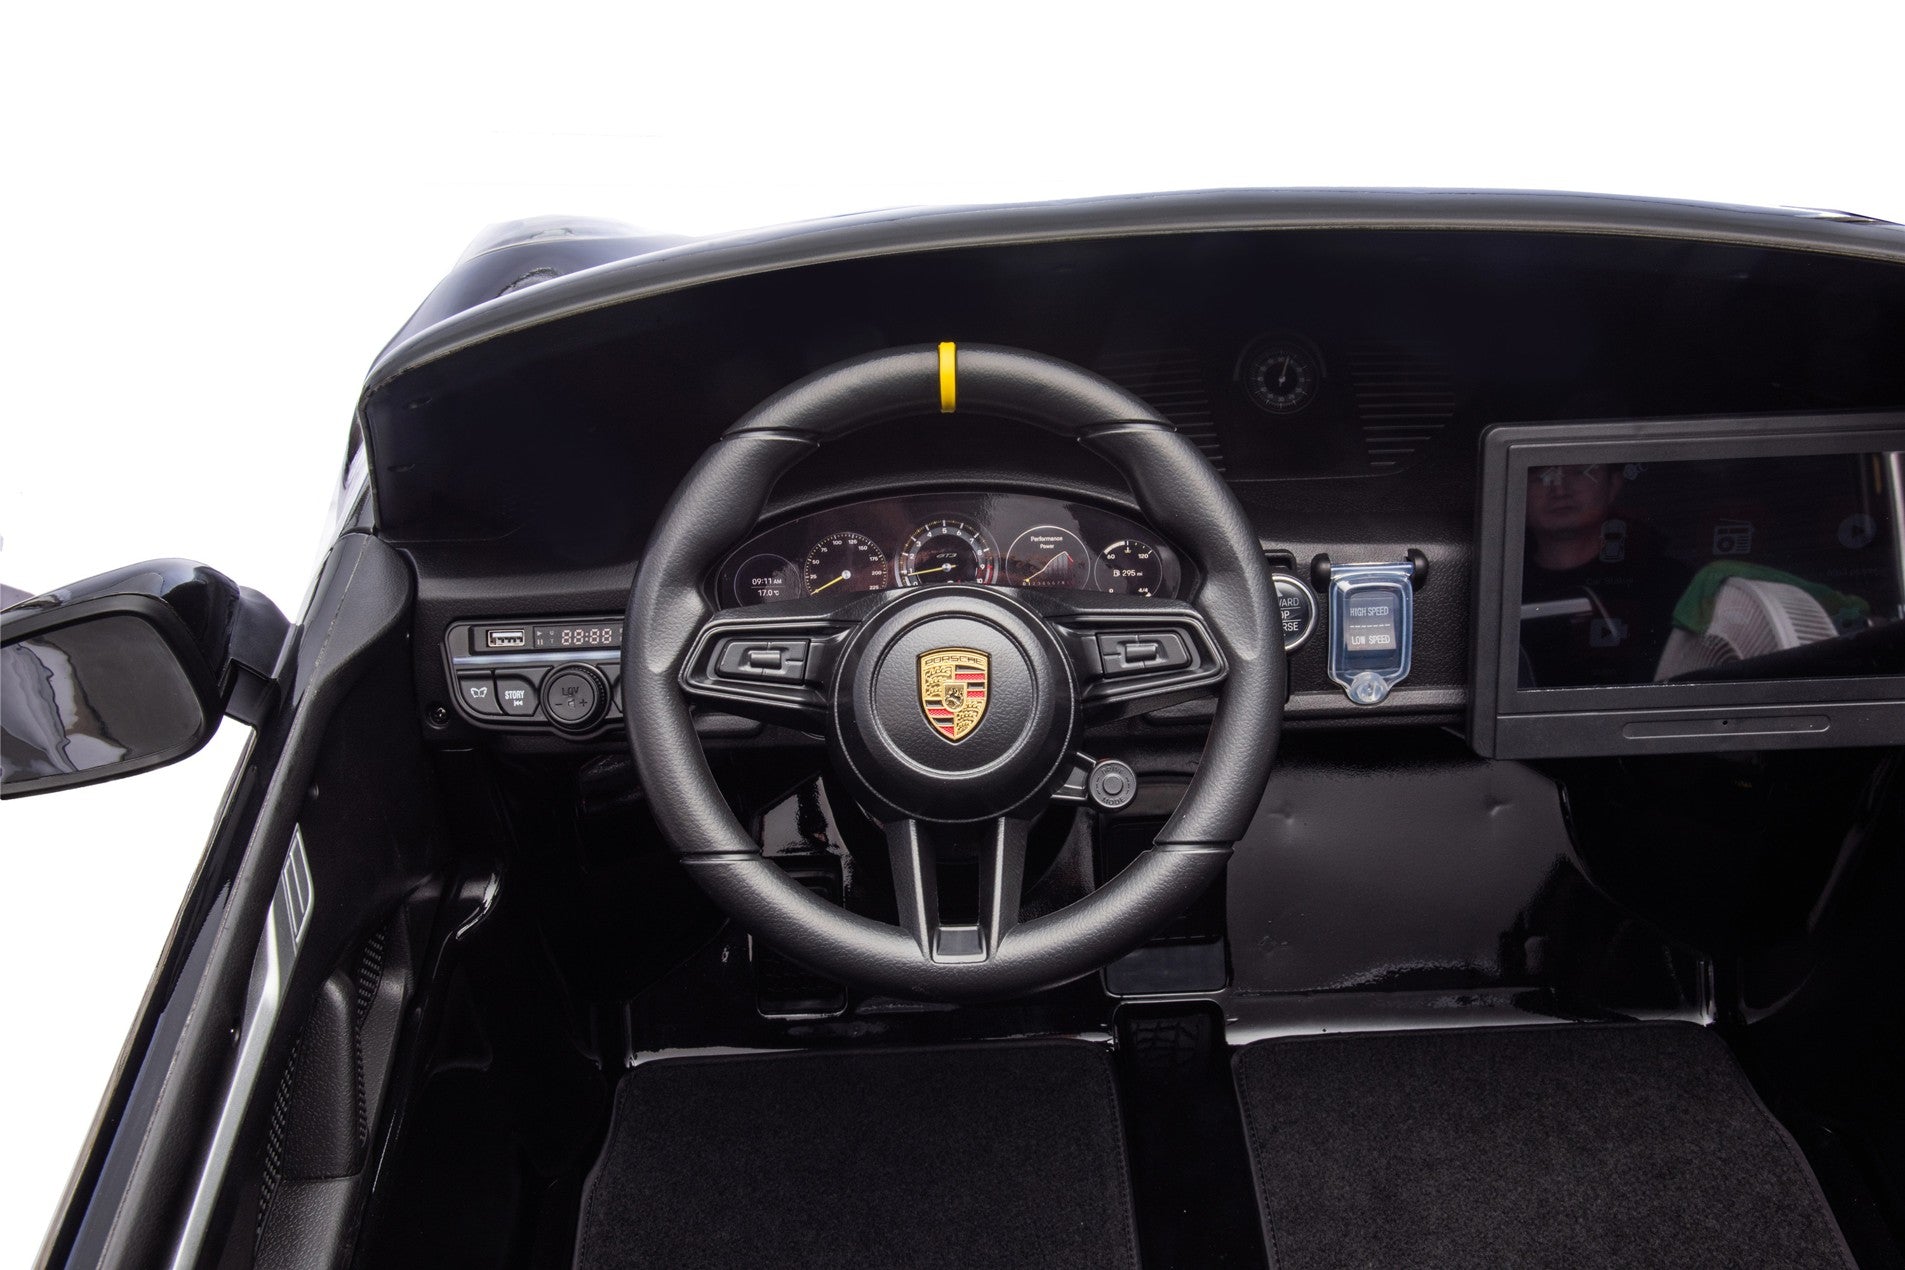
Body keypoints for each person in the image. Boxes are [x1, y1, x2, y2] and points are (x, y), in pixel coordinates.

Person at [1518, 463, 1693, 688]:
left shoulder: (1667, 582)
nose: (1559, 489)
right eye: (1541, 476)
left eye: (1582, 471)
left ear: (1613, 484)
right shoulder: (1496, 585)